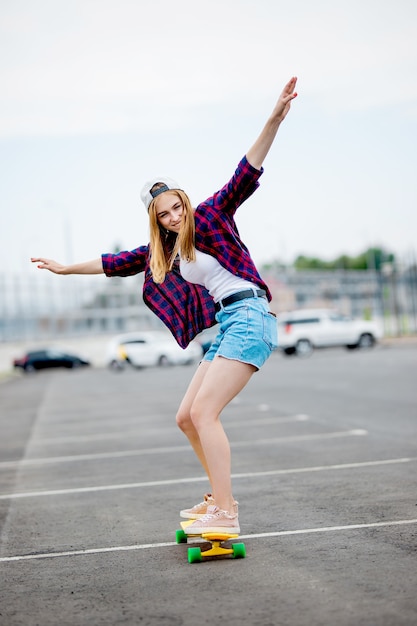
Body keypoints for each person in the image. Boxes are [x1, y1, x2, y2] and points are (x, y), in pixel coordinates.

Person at [31, 76, 298, 534]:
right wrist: (63, 269)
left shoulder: (213, 214)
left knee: (203, 414)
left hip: (250, 315)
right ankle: (217, 496)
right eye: (164, 215)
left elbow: (246, 171)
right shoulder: (166, 251)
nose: (174, 217)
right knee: (185, 418)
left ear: (185, 201)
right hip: (228, 323)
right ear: (157, 220)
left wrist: (273, 117)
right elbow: (113, 262)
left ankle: (227, 511)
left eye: (176, 207)